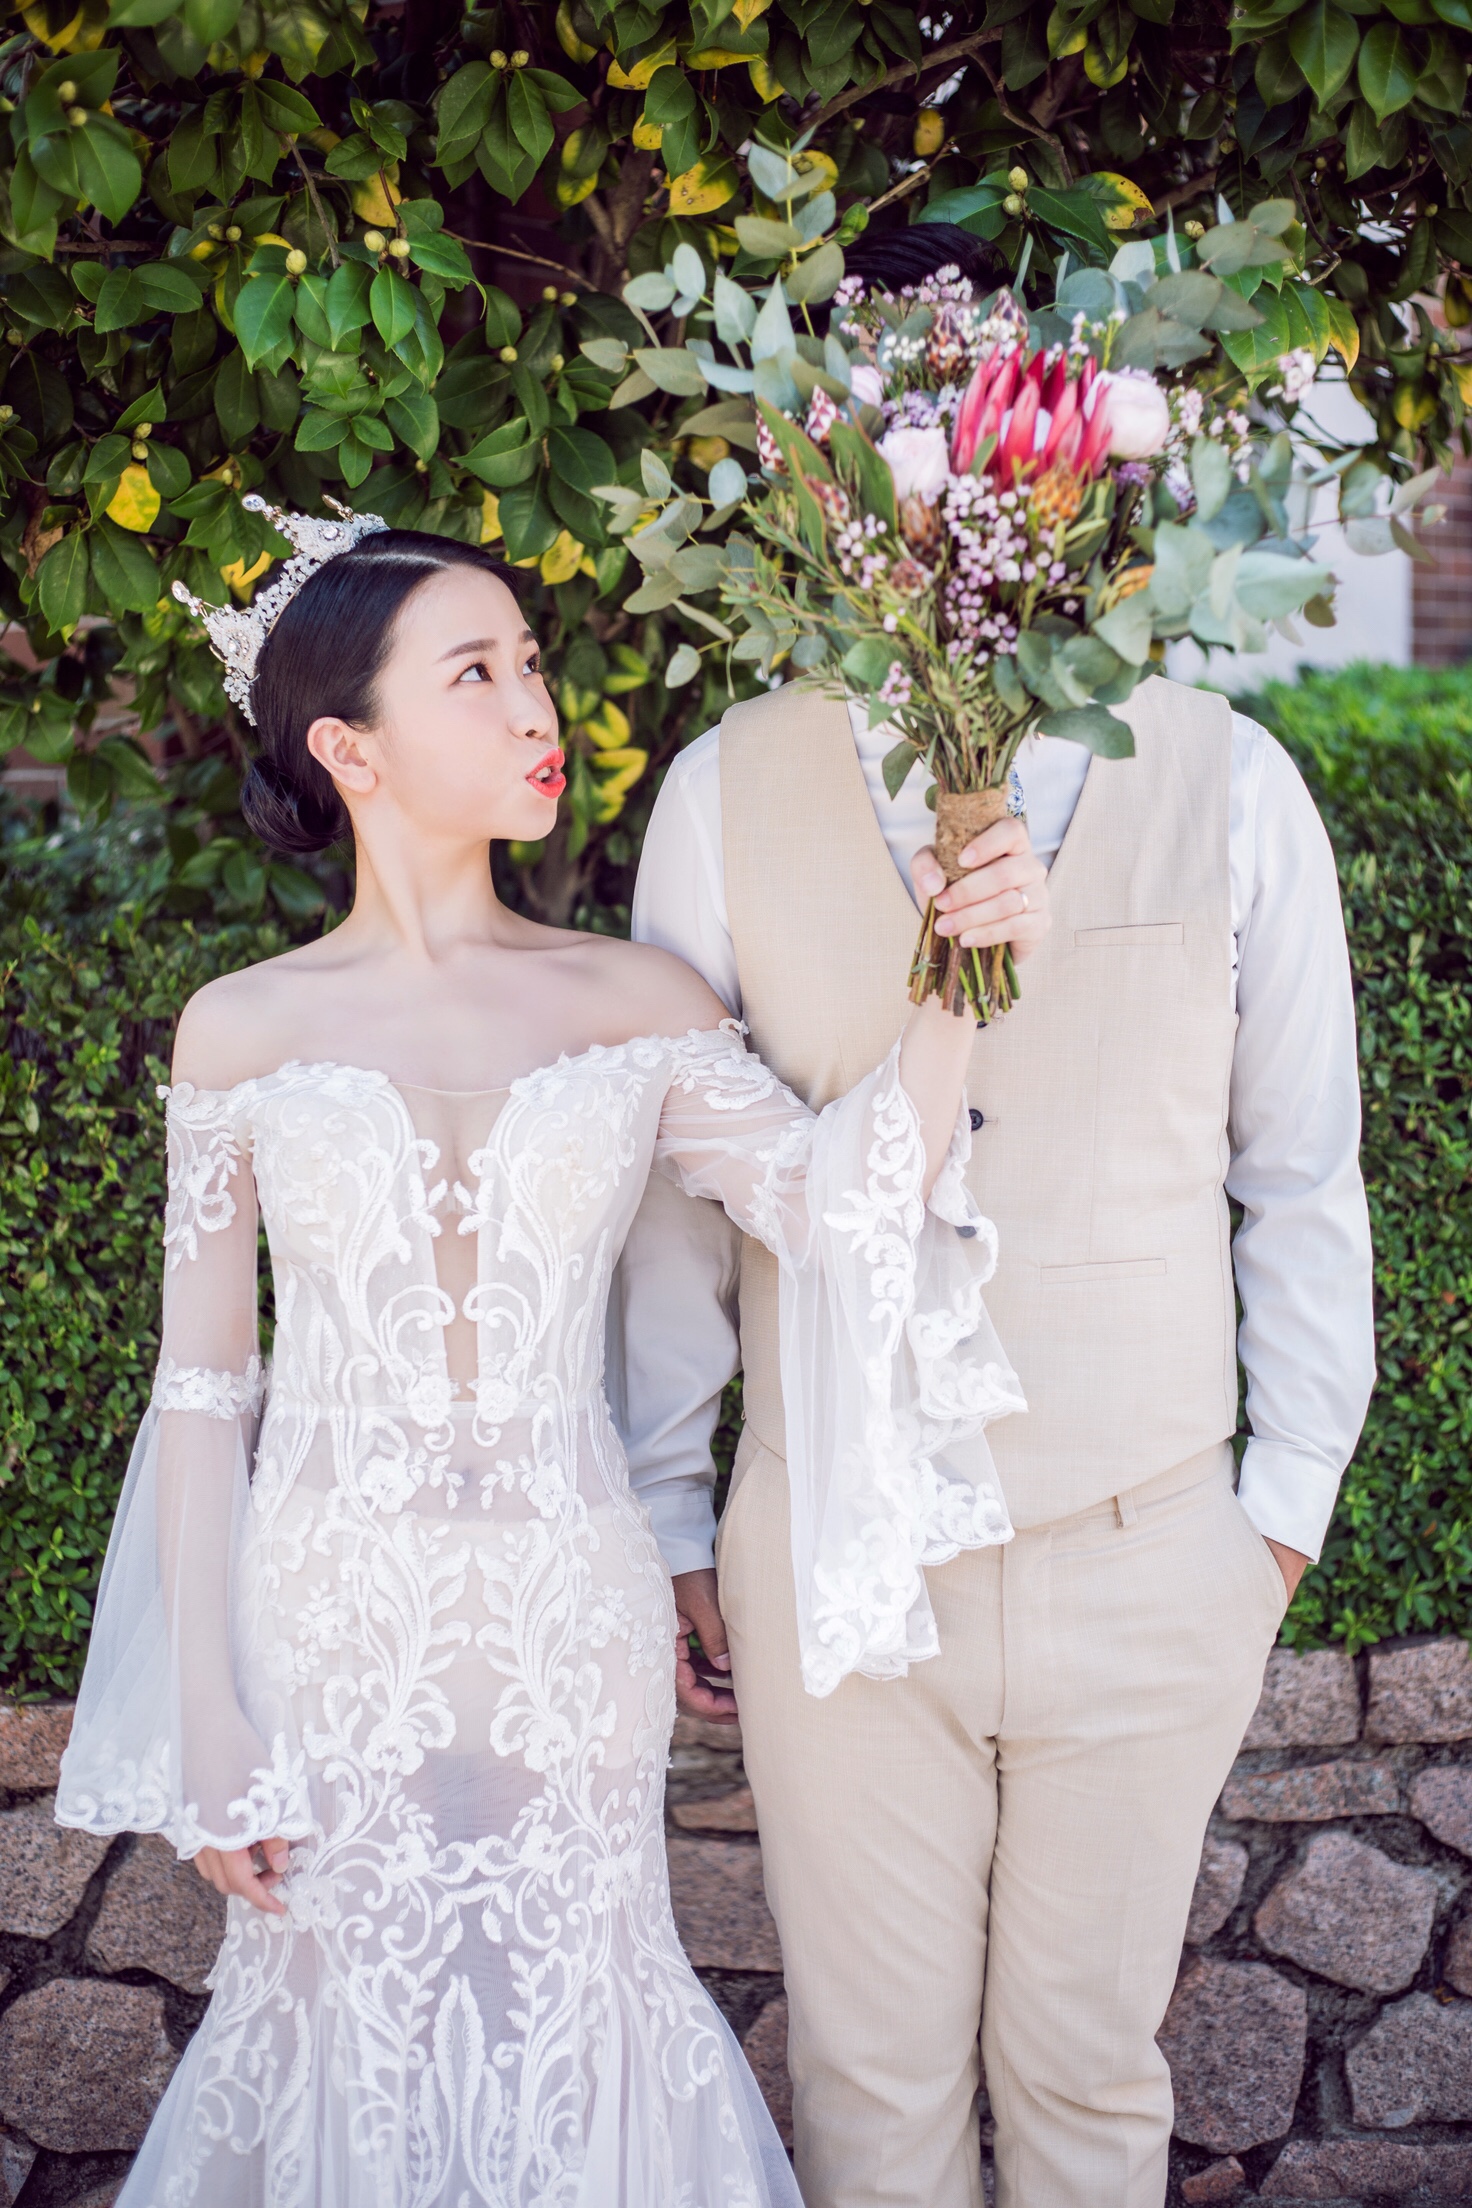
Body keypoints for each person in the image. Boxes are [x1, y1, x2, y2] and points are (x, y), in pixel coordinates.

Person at [53, 499, 1025, 2208]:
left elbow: (837, 1205)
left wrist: (961, 967)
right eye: (476, 673)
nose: (534, 708)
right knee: (339, 2023)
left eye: (531, 663)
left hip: (570, 1631)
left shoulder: (636, 1002)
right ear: (349, 748)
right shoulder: (242, 1030)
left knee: (582, 2018)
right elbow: (203, 1395)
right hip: (322, 1625)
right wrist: (202, 1714)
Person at [616, 241, 1377, 2206]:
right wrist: (677, 1512)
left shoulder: (1233, 785)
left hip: (1149, 1554)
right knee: (866, 2094)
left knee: (1088, 2087)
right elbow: (679, 1194)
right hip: (834, 1560)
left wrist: (1270, 1524)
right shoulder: (717, 794)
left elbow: (1299, 1175)